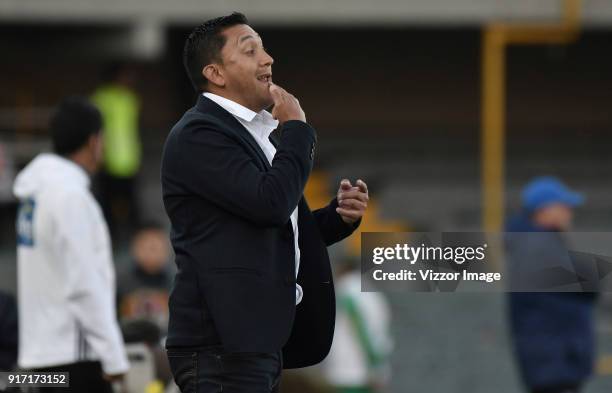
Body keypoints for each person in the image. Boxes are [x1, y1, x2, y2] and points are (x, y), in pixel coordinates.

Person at [161, 12, 369, 393]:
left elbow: (274, 228)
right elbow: (270, 203)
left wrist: (336, 219)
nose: (268, 58)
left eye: (264, 48)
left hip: (255, 343)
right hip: (221, 346)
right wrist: (297, 130)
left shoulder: (256, 132)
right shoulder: (199, 133)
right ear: (216, 73)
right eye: (250, 50)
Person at [13, 97, 129, 393]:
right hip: (75, 358)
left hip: (39, 358)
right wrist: (114, 358)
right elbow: (84, 283)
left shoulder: (35, 194)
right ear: (94, 141)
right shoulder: (71, 197)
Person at [506, 177, 595, 393]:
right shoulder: (537, 246)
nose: (569, 212)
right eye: (563, 206)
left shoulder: (538, 242)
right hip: (553, 363)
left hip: (553, 363)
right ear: (544, 210)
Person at [323, 260, 393, 393]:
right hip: (367, 372)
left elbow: (360, 326)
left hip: (348, 371)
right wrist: (378, 366)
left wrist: (373, 362)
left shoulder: (347, 289)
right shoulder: (374, 295)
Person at [92, 62, 142, 240]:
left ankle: (136, 238)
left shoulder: (130, 98)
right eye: (125, 76)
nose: (129, 80)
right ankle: (111, 237)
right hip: (108, 160)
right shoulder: (101, 98)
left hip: (129, 159)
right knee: (107, 203)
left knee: (132, 203)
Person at [117, 222, 173, 330]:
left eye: (156, 247)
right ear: (135, 247)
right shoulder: (119, 281)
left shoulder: (177, 281)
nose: (151, 253)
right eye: (147, 247)